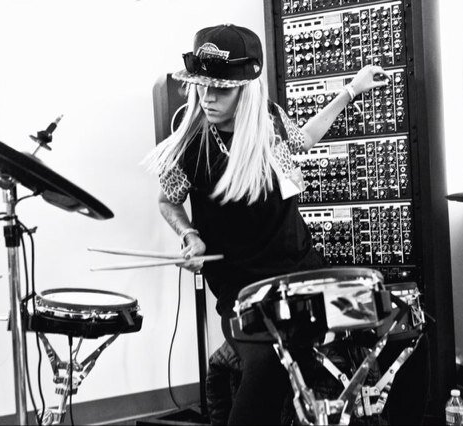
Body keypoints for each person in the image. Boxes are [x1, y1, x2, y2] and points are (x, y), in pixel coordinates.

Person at [145, 23, 390, 425]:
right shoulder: (191, 146)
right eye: (202, 86)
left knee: (388, 329)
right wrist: (189, 235)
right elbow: (167, 201)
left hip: (302, 274)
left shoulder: (271, 121)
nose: (207, 97)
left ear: (246, 89)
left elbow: (304, 139)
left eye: (220, 88)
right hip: (244, 293)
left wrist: (351, 90)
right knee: (269, 366)